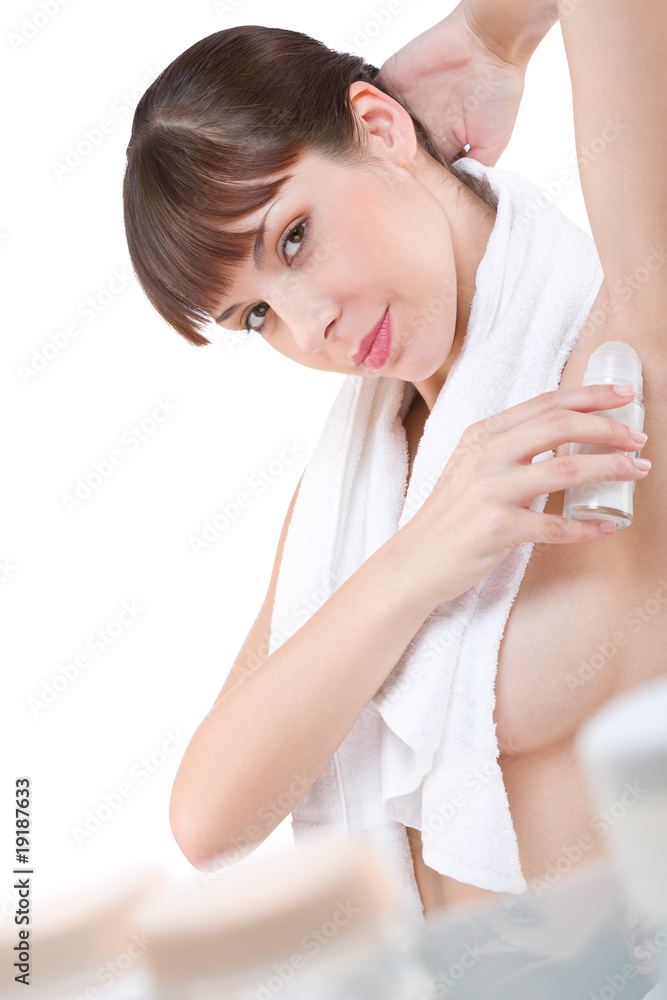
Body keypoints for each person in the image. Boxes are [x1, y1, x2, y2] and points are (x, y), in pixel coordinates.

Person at [122, 0, 666, 916]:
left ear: (378, 128)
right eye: (256, 316)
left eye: (293, 238)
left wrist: (491, 34)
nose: (309, 329)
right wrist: (421, 558)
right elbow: (209, 823)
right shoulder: (364, 487)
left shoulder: (625, 349)